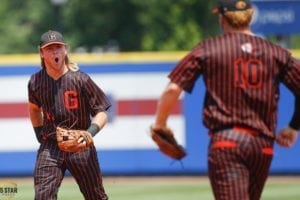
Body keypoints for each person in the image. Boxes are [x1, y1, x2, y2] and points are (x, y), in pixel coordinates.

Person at [151, 0, 300, 199]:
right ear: (250, 17)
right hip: (262, 146)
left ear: (222, 19)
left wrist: (160, 124)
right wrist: (293, 126)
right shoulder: (275, 52)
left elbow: (172, 90)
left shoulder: (209, 49)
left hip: (227, 143)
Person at [28, 30, 111, 200]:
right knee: (43, 196)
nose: (55, 51)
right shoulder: (35, 81)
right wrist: (39, 135)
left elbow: (101, 112)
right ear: (42, 53)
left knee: (95, 196)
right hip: (51, 145)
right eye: (50, 48)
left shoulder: (81, 79)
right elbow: (34, 109)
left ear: (65, 50)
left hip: (80, 142)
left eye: (58, 47)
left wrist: (90, 133)